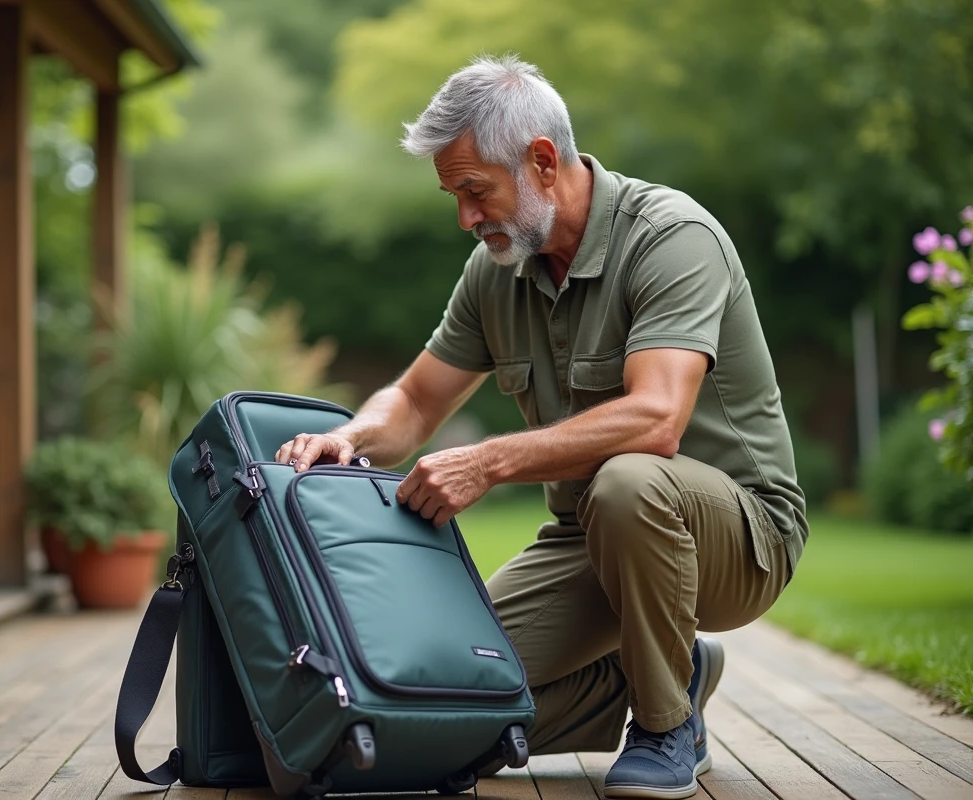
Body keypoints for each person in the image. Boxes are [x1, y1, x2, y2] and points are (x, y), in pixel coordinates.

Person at [274, 55, 807, 800]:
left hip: (741, 539)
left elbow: (657, 418)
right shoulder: (496, 271)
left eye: (475, 190)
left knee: (629, 481)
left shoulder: (671, 236)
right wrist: (353, 437)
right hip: (586, 540)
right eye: (454, 196)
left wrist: (487, 463)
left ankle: (666, 726)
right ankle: (657, 673)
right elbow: (418, 401)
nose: (465, 218)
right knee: (448, 690)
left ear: (543, 163)